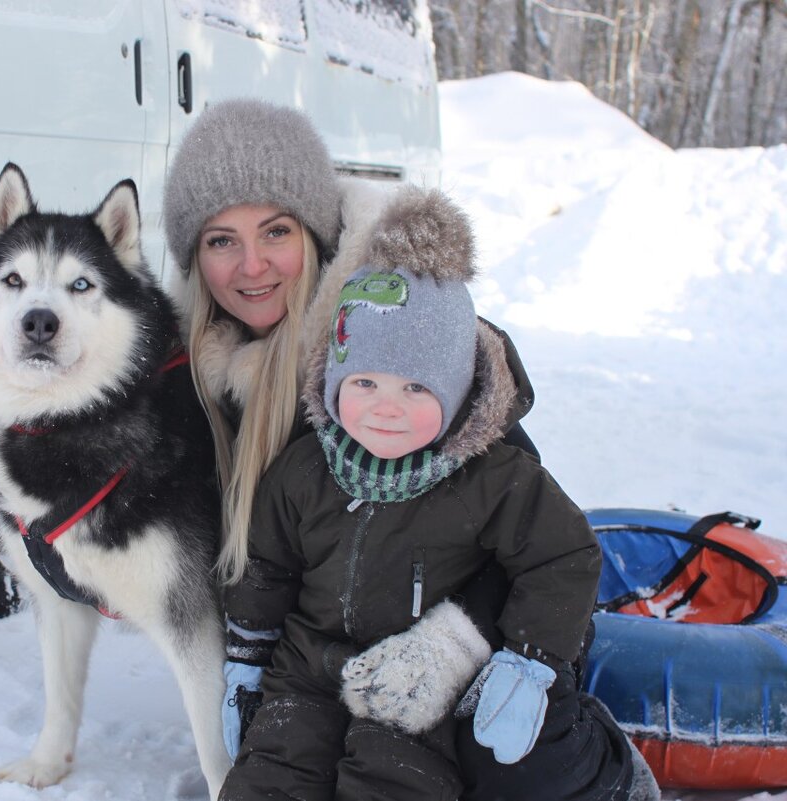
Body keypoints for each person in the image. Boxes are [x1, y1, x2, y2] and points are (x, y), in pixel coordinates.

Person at [162, 98, 658, 800]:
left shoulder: (402, 323)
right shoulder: (186, 376)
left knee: (502, 757)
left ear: (316, 229)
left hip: (447, 641)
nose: (251, 265)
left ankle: (604, 771)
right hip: (316, 660)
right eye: (220, 239)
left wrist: (458, 641)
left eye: (275, 229)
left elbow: (514, 529)